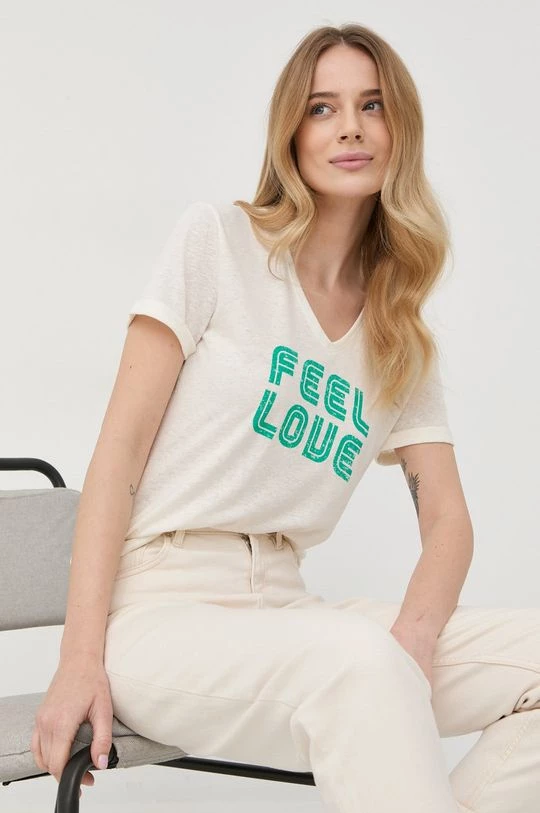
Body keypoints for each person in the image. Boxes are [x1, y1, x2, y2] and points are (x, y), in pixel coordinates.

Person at [31, 23, 540, 813]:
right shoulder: (221, 242)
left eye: (372, 105)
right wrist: (77, 657)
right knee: (359, 664)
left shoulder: (397, 329)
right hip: (162, 611)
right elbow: (118, 455)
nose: (350, 127)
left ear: (400, 129)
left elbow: (448, 520)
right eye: (322, 108)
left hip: (287, 606)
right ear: (291, 135)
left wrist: (414, 636)